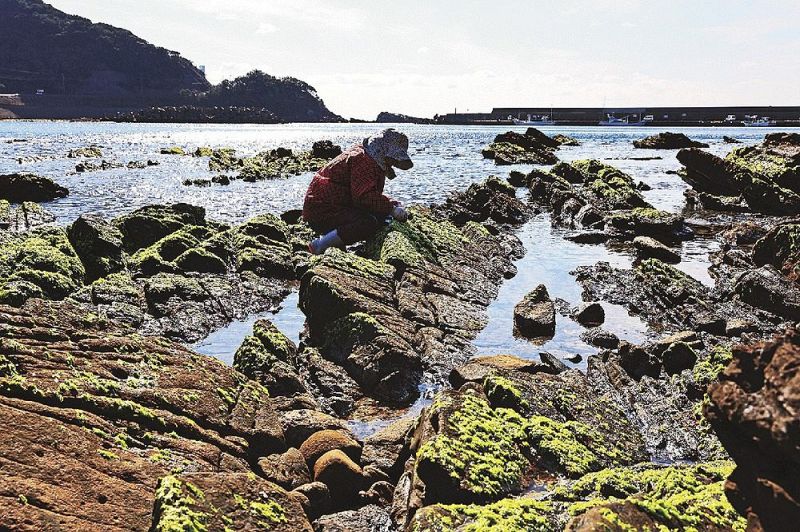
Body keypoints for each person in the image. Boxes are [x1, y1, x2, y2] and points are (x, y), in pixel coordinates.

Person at [303, 128, 413, 255]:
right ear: (385, 151)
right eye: (393, 158)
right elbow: (363, 197)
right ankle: (320, 245)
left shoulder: (366, 155)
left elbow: (364, 191)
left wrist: (391, 203)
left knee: (378, 215)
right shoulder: (364, 161)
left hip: (326, 205)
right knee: (368, 222)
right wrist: (391, 208)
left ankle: (335, 241)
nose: (394, 163)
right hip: (322, 210)